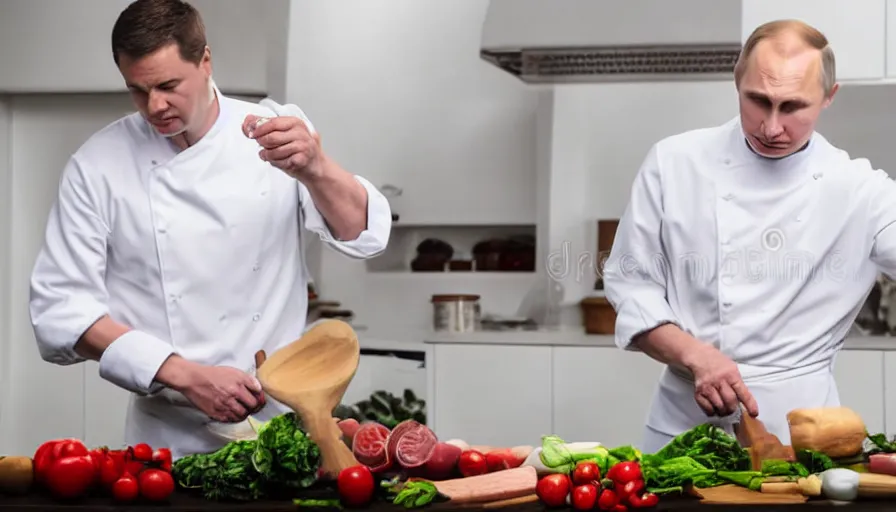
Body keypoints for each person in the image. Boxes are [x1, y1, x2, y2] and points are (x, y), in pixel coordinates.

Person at [28, 0, 391, 459]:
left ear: (205, 61)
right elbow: (60, 314)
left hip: (285, 424)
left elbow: (364, 236)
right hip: (166, 440)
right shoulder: (97, 165)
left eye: (168, 85)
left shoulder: (273, 129)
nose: (154, 106)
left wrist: (317, 169)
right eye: (137, 90)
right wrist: (184, 373)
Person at [603, 18, 896, 453]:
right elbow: (631, 284)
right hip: (682, 424)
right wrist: (695, 355)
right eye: (758, 101)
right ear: (737, 80)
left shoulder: (861, 191)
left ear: (828, 97)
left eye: (794, 107)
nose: (771, 127)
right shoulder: (674, 162)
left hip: (801, 433)